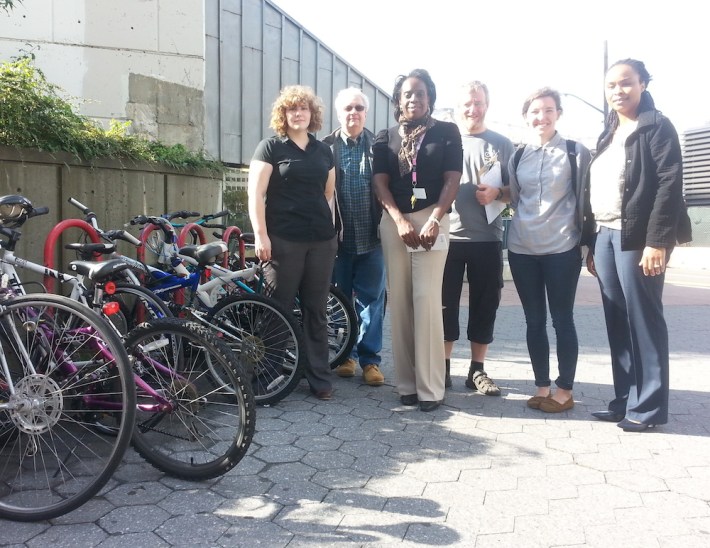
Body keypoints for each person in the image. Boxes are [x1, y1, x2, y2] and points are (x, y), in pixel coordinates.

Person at [584, 59, 692, 432]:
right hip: (604, 235)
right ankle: (623, 400)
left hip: (638, 239)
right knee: (617, 319)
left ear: (643, 84)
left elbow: (669, 186)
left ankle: (647, 408)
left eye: (626, 83)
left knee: (643, 320)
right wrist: (590, 242)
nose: (618, 90)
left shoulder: (657, 127)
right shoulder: (608, 132)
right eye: (611, 85)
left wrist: (657, 242)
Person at [372, 68, 462, 412]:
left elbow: (452, 179)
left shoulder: (447, 132)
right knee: (401, 302)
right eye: (408, 93)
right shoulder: (385, 137)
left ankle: (431, 388)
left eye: (421, 93)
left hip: (432, 219)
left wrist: (435, 219)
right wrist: (397, 220)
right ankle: (407, 385)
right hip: (394, 220)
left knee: (425, 300)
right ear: (399, 99)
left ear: (430, 98)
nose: (414, 98)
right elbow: (380, 182)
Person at [248, 85, 338, 401]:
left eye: (303, 108)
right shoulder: (271, 147)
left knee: (316, 311)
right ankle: (269, 375)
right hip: (282, 241)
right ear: (283, 114)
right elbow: (256, 194)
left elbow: (327, 194)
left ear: (312, 114)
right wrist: (261, 235)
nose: (298, 113)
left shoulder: (324, 151)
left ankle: (319, 379)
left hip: (321, 242)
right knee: (277, 309)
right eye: (291, 109)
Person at [507, 87, 591, 414]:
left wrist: (588, 244)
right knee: (533, 320)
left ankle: (564, 389)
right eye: (535, 112)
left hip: (562, 248)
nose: (541, 116)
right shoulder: (518, 155)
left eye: (548, 110)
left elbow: (586, 200)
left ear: (558, 113)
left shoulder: (575, 152)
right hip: (522, 248)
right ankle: (542, 386)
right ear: (527, 117)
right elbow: (513, 197)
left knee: (562, 319)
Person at [442, 81, 515, 395]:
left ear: (487, 105)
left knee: (485, 304)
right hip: (447, 238)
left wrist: (499, 193)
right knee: (444, 306)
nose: (472, 109)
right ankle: (441, 369)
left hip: (487, 238)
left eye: (479, 103)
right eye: (467, 103)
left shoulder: (502, 144)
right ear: (457, 107)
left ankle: (477, 369)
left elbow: (518, 191)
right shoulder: (445, 140)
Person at [322, 88, 386, 387]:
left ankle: (370, 360)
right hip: (339, 241)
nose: (354, 113)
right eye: (348, 107)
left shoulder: (380, 146)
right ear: (339, 113)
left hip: (373, 238)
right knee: (340, 302)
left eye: (359, 108)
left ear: (366, 113)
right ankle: (345, 356)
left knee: (372, 302)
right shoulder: (325, 148)